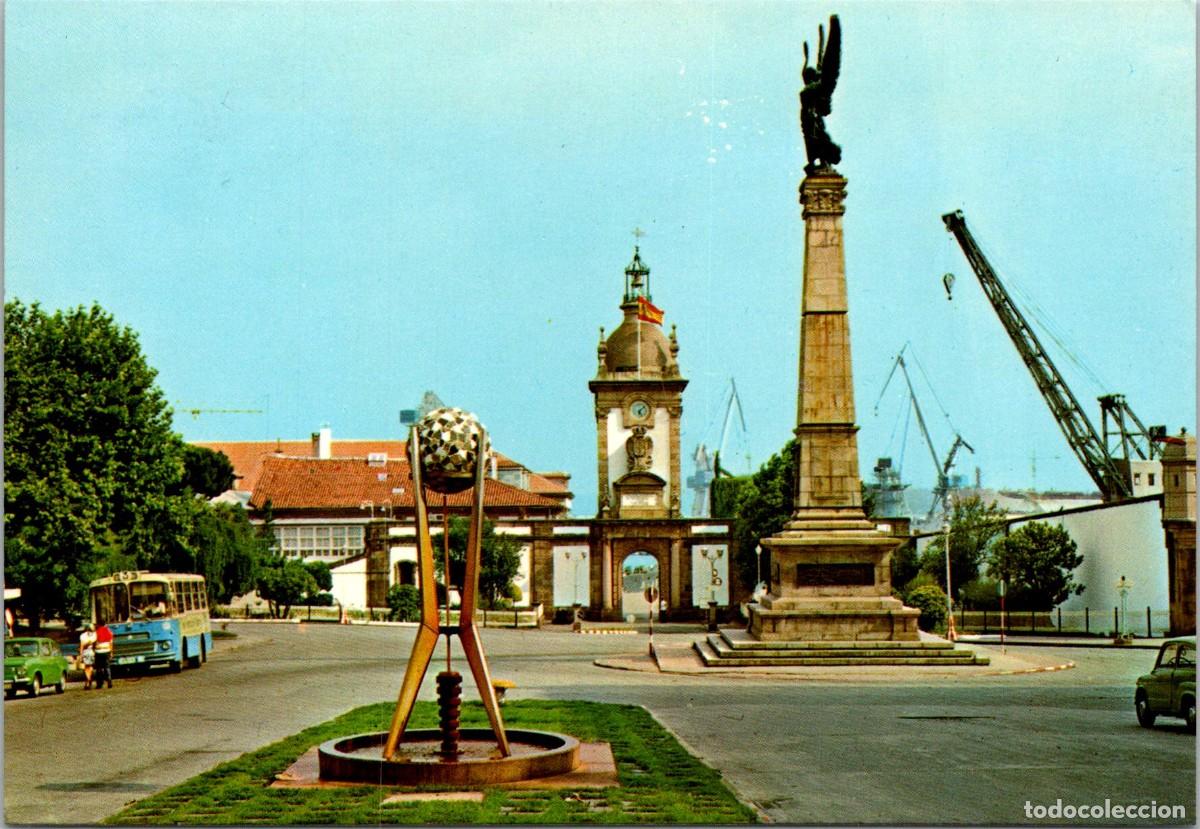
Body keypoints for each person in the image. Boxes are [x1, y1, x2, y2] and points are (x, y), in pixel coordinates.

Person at [93, 622, 113, 689]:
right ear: (105, 624)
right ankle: (109, 681)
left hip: (98, 652)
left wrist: (95, 648)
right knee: (107, 667)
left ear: (98, 625)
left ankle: (99, 683)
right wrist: (111, 652)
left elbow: (94, 642)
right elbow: (111, 643)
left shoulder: (96, 632)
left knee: (99, 668)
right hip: (107, 651)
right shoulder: (109, 632)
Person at [79, 624, 97, 690]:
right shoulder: (95, 635)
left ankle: (88, 680)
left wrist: (81, 655)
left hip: (85, 652)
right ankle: (88, 681)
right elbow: (95, 644)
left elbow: (82, 646)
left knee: (86, 667)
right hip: (91, 652)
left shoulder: (83, 636)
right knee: (90, 666)